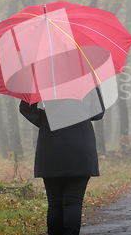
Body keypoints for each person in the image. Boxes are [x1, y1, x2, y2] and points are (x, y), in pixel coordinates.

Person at [19, 87, 105, 235]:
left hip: (51, 142)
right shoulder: (87, 76)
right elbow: (98, 113)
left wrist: (45, 120)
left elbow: (25, 108)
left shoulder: (42, 77)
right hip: (80, 144)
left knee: (54, 204)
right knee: (73, 201)